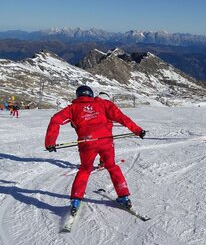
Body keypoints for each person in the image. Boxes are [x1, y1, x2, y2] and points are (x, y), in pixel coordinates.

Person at [44, 85, 146, 213]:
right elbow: (121, 117)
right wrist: (138, 130)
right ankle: (124, 197)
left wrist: (50, 142)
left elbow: (55, 120)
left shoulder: (72, 108)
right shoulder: (103, 104)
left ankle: (76, 200)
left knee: (85, 170)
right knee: (112, 167)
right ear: (91, 95)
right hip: (106, 142)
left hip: (86, 143)